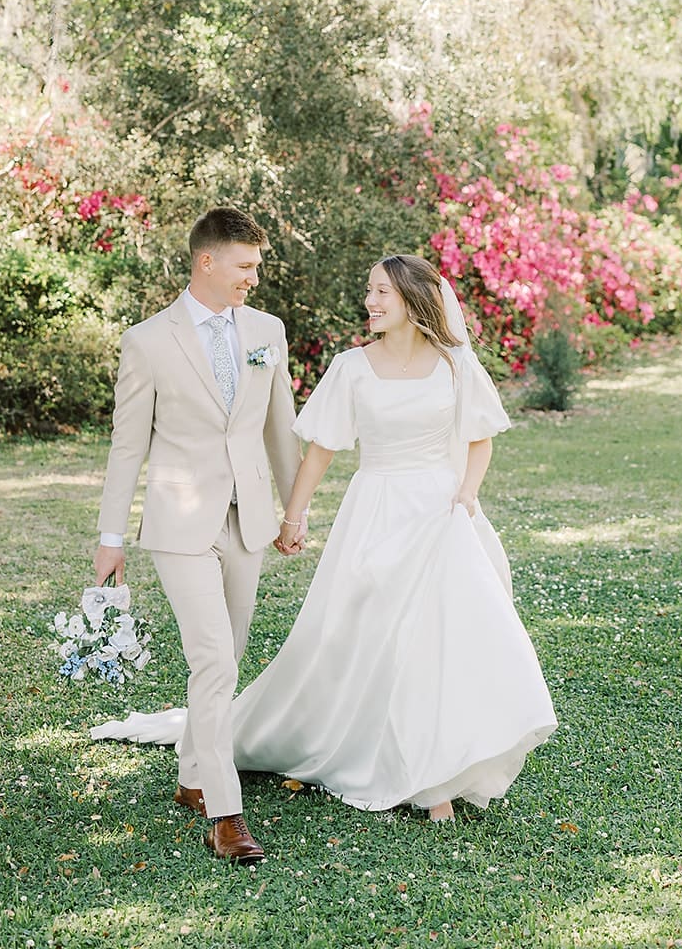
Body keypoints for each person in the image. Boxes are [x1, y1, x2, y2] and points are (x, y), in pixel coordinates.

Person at [95, 253, 557, 826]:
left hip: (442, 514)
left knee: (442, 639)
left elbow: (480, 439)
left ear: (414, 300)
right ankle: (379, 757)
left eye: (382, 292)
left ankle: (438, 775)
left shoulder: (457, 365)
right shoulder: (351, 368)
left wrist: (466, 493)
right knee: (376, 639)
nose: (371, 302)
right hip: (378, 510)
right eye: (370, 290)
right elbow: (320, 452)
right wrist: (293, 514)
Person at [93, 206, 301, 864]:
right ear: (206, 261)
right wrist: (110, 536)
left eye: (257, 266)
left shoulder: (267, 330)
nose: (253, 278)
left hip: (248, 522)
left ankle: (190, 778)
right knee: (213, 660)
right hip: (180, 526)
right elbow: (128, 446)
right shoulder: (148, 340)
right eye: (245, 266)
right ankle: (226, 812)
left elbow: (279, 426)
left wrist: (293, 512)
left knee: (225, 660)